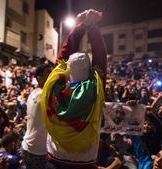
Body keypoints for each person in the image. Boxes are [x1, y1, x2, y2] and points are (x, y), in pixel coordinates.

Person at [41, 9, 107, 169]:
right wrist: (92, 27)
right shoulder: (95, 89)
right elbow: (100, 55)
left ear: (66, 69)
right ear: (91, 71)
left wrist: (82, 25)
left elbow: (63, 55)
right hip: (85, 162)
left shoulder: (55, 87)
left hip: (55, 159)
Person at [21, 64, 52, 169]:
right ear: (39, 78)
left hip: (27, 146)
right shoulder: (43, 94)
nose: (52, 74)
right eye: (48, 72)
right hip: (38, 151)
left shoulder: (33, 93)